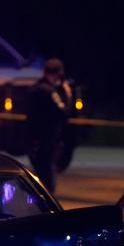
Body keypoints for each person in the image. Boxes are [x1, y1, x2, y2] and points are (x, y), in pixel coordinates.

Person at [26, 58, 73, 193]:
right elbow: (65, 112)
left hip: (33, 140)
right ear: (58, 74)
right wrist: (68, 95)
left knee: (39, 176)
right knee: (48, 183)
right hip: (46, 141)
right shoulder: (50, 92)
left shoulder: (34, 89)